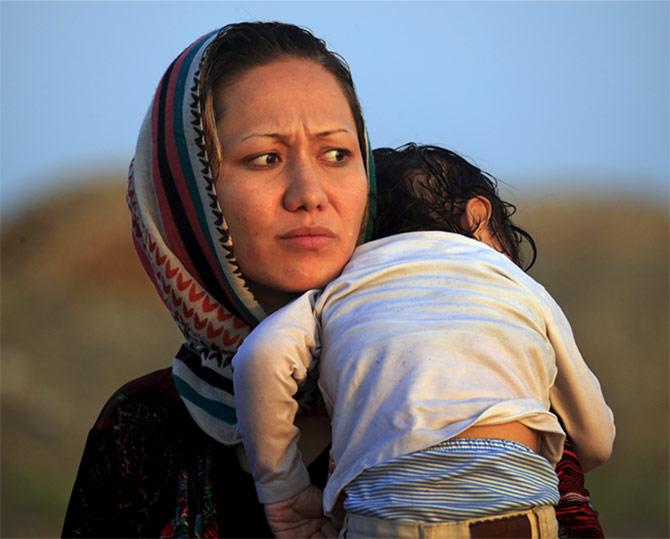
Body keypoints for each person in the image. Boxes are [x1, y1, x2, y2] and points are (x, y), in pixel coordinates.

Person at [61, 21, 607, 539]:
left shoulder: (495, 389)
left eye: (337, 154)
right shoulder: (144, 428)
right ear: (188, 195)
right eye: (265, 158)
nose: (310, 192)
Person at [232, 144, 615, 538]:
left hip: (390, 504)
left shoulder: (339, 288)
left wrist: (284, 490)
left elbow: (258, 359)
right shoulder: (517, 284)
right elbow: (596, 440)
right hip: (510, 497)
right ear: (479, 217)